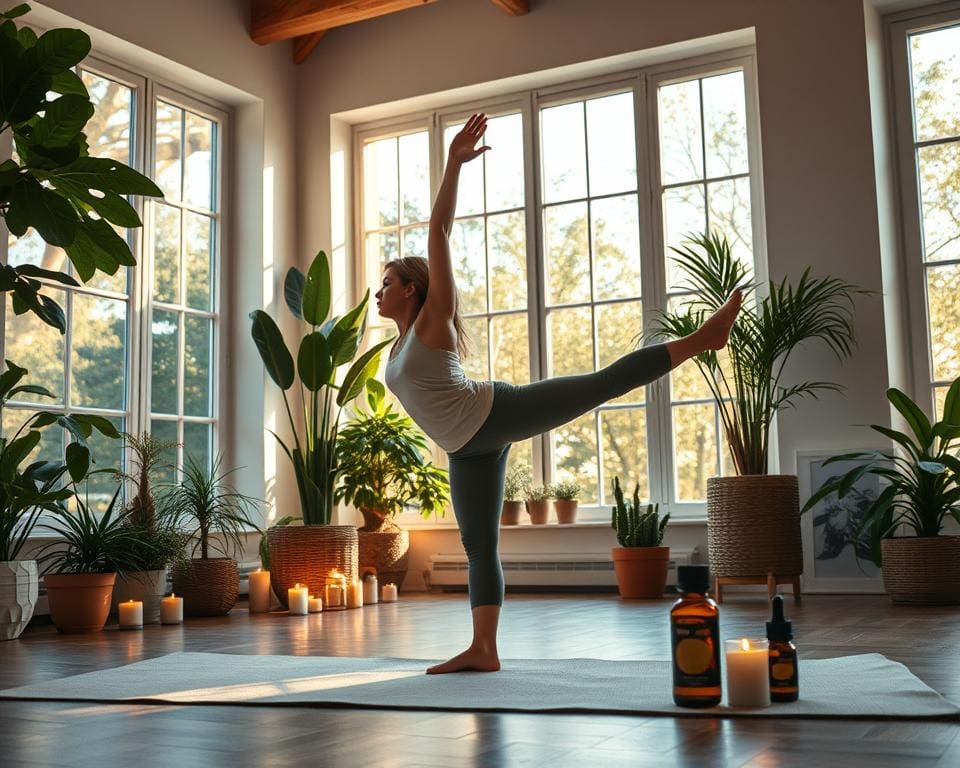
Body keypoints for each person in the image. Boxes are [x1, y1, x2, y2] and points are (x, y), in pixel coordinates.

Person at [377, 113, 742, 674]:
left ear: (411, 289)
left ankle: (702, 338)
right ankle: (484, 649)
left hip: (495, 413)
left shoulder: (434, 323)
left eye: (386, 284)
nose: (377, 293)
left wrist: (452, 164)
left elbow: (439, 231)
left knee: (599, 384)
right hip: (464, 449)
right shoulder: (398, 348)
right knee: (480, 548)